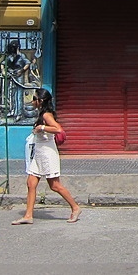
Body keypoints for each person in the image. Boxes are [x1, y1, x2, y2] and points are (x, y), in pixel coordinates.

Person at [11, 88, 81, 225]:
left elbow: (58, 129)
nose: (32, 101)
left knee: (55, 185)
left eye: (34, 98)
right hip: (39, 153)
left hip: (48, 154)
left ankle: (75, 207)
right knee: (31, 183)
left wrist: (41, 128)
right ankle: (28, 215)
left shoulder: (46, 115)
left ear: (40, 101)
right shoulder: (42, 114)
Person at [1, 40, 31, 121]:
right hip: (11, 76)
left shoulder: (21, 56)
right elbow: (3, 64)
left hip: (19, 76)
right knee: (11, 94)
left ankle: (19, 113)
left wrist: (21, 70)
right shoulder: (9, 57)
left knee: (18, 95)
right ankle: (12, 110)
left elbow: (27, 63)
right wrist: (4, 72)